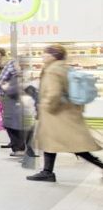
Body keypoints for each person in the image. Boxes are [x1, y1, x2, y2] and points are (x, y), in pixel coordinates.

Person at [26, 45, 103, 183]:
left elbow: (54, 93)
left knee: (75, 146)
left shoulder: (52, 70)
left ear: (53, 56)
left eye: (45, 54)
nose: (43, 56)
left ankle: (48, 172)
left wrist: (45, 106)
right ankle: (47, 172)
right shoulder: (66, 67)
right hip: (68, 112)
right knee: (53, 142)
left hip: (57, 114)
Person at [0, 53, 32, 156]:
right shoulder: (20, 74)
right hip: (15, 106)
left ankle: (19, 149)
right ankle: (19, 148)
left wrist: (4, 86)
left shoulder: (18, 76)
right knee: (14, 127)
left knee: (13, 127)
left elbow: (13, 91)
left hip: (14, 105)